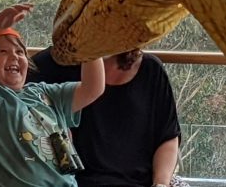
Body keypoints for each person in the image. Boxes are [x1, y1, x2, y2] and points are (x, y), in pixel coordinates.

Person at [0, 3, 105, 187]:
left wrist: (91, 42)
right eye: (3, 51)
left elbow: (93, 88)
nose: (15, 57)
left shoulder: (45, 92)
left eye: (20, 52)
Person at [30, 46, 187, 187]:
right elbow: (13, 102)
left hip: (139, 182)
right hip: (73, 182)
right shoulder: (51, 64)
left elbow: (167, 136)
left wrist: (161, 183)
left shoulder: (151, 69)